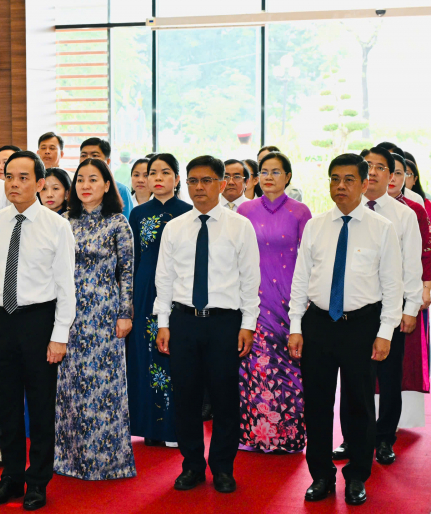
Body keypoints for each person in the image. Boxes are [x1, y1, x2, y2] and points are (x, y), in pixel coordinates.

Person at [288, 153, 402, 506]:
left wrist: (385, 332)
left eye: (349, 179)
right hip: (318, 323)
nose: (340, 186)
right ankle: (321, 475)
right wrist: (296, 325)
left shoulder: (382, 229)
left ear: (365, 183)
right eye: (334, 179)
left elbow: (392, 286)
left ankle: (356, 476)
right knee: (317, 405)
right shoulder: (316, 225)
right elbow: (300, 279)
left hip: (362, 326)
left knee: (360, 406)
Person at [0, 151, 75, 510]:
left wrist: (59, 335)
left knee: (42, 406)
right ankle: (11, 477)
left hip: (39, 322)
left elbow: (66, 287)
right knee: (7, 406)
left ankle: (38, 481)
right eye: (9, 176)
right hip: (0, 320)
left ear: (40, 183)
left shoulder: (57, 226)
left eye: (23, 177)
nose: (14, 183)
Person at [154, 155, 260, 494]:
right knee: (185, 398)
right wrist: (163, 322)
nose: (199, 187)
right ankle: (192, 466)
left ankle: (223, 468)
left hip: (224, 323)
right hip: (183, 321)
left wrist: (248, 324)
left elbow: (249, 280)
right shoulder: (175, 227)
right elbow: (164, 279)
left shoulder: (239, 226)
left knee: (225, 398)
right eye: (193, 181)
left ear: (221, 183)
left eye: (206, 181)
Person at [333, 147, 423, 466]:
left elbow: (413, 267)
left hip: (391, 312)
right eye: (367, 165)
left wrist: (410, 308)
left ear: (391, 175)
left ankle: (384, 439)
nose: (372, 171)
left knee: (387, 377)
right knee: (352, 379)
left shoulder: (404, 215)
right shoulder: (342, 213)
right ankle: (351, 438)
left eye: (380, 167)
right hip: (352, 312)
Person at [54, 158, 135, 480]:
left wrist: (125, 313)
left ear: (106, 185)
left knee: (103, 387)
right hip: (67, 314)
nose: (85, 185)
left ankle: (107, 461)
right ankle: (68, 459)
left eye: (93, 179)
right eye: (80, 179)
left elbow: (126, 272)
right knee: (70, 385)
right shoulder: (63, 221)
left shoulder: (118, 223)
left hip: (103, 315)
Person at [236, 152, 312, 453]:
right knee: (253, 366)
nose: (268, 177)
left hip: (288, 301)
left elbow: (309, 261)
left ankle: (288, 436)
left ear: (288, 177)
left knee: (289, 368)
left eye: (276, 172)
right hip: (252, 299)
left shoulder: (300, 212)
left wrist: (303, 303)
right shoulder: (245, 210)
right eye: (264, 171)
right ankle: (253, 435)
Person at [127, 154, 191, 447]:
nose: (158, 178)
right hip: (143, 290)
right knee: (144, 355)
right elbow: (133, 259)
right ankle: (150, 427)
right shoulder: (138, 214)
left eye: (166, 172)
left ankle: (175, 427)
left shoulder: (188, 213)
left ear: (177, 179)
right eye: (153, 173)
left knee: (174, 356)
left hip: (178, 291)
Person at [400, 158, 431, 431]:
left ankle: (391, 427)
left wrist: (426, 287)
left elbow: (423, 255)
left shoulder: (415, 207)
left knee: (403, 358)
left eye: (403, 172)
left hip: (407, 292)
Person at [79, 138, 134, 220]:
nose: (88, 159)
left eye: (95, 155)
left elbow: (127, 224)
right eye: (83, 155)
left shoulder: (121, 190)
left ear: (107, 161)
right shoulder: (77, 187)